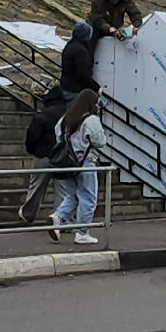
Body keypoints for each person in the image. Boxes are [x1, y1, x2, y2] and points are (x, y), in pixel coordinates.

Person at [48, 88, 106, 246]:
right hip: (86, 162)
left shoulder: (66, 118)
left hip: (68, 162)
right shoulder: (91, 119)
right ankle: (82, 233)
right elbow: (100, 142)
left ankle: (58, 217)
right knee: (88, 197)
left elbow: (57, 134)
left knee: (73, 195)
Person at [18, 87, 73, 223]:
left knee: (36, 186)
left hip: (42, 155)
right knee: (62, 190)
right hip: (62, 156)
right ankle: (61, 219)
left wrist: (33, 150)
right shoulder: (70, 115)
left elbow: (32, 135)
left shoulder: (42, 115)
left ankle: (28, 213)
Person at [59, 21, 95, 97]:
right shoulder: (81, 51)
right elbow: (83, 74)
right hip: (74, 89)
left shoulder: (70, 45)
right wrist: (96, 87)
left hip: (66, 85)